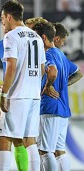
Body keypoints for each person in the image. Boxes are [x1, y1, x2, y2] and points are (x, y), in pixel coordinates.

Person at [0, 1, 46, 171]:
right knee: (29, 139)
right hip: (33, 95)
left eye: (3, 17)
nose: (2, 21)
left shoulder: (11, 36)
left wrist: (4, 95)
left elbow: (11, 66)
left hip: (17, 96)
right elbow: (42, 68)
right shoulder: (37, 37)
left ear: (9, 17)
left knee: (4, 138)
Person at [32, 22, 82, 171]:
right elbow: (78, 72)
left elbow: (52, 72)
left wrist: (48, 86)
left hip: (49, 107)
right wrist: (62, 85)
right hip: (63, 110)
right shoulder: (61, 54)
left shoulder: (46, 54)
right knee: (59, 151)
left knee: (45, 151)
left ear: (43, 37)